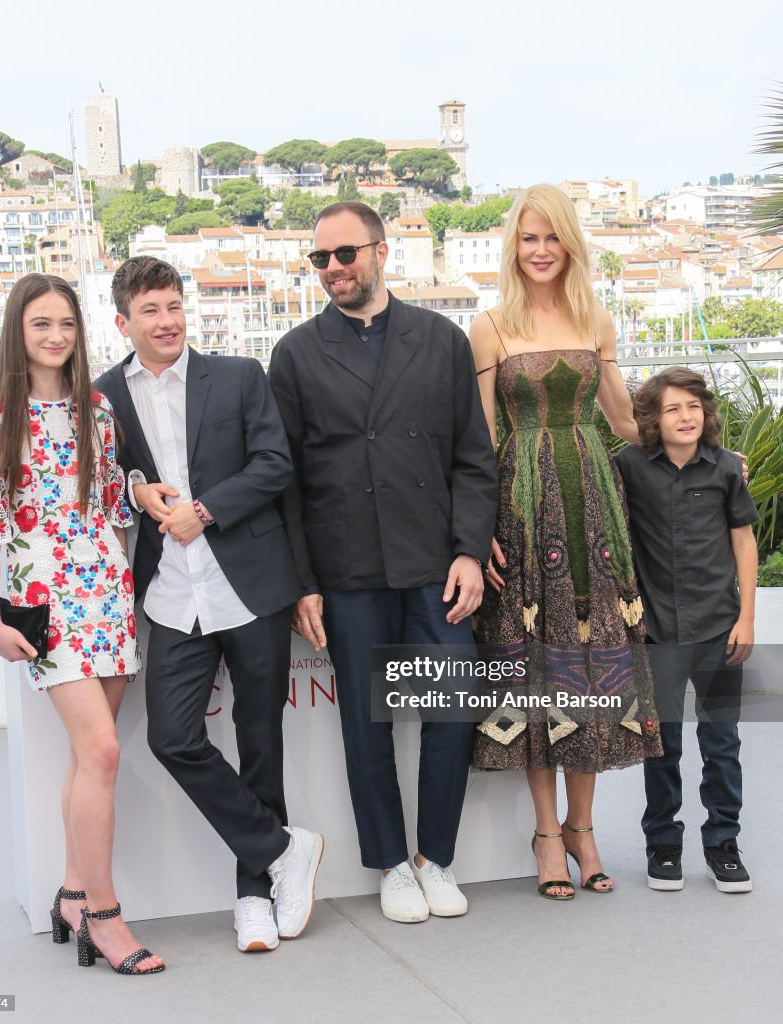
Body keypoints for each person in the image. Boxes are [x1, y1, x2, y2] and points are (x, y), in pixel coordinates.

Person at [268, 201, 497, 924]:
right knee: (365, 726)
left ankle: (435, 856)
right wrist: (303, 582)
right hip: (347, 567)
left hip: (433, 560)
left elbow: (472, 458)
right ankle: (392, 864)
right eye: (320, 259)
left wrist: (467, 550)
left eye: (345, 254)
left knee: (450, 712)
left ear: (380, 252)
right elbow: (289, 484)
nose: (333, 269)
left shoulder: (439, 339)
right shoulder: (296, 353)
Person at [95, 256, 323, 954]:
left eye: (173, 307)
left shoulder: (237, 376)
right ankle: (283, 849)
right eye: (151, 312)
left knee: (261, 745)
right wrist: (137, 488)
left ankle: (254, 896)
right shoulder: (104, 395)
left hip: (248, 585)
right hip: (169, 596)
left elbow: (274, 463)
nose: (167, 322)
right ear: (123, 322)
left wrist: (205, 510)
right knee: (173, 737)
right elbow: (107, 474)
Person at [0, 273, 163, 975]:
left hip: (105, 591)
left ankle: (74, 895)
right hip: (43, 605)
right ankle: (105, 915)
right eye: (41, 324)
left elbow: (112, 505)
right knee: (103, 751)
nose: (55, 337)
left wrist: (139, 489)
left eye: (66, 325)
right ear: (18, 331)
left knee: (88, 757)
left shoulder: (97, 410)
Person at [468, 184, 662, 900]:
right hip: (521, 510)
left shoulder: (595, 320)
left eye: (551, 238)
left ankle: (584, 829)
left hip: (593, 511)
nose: (540, 251)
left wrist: (701, 444)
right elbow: (483, 436)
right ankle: (546, 833)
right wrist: (480, 526)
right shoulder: (488, 327)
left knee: (593, 662)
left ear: (569, 245)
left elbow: (622, 420)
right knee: (535, 667)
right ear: (512, 249)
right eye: (528, 239)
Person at [614, 367, 757, 893]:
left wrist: (746, 618)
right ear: (652, 418)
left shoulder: (724, 470)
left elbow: (744, 542)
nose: (686, 417)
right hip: (658, 634)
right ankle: (663, 845)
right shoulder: (627, 466)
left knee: (722, 744)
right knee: (663, 745)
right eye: (673, 408)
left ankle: (723, 844)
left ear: (706, 413)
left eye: (693, 407)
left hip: (721, 629)